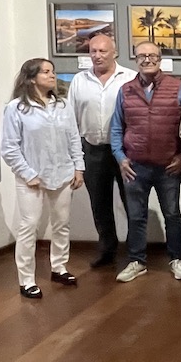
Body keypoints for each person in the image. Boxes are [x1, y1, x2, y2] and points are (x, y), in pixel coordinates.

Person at [0, 58, 84, 299]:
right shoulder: (16, 108)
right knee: (29, 226)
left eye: (53, 71)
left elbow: (74, 138)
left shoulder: (63, 106)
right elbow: (10, 148)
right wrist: (28, 173)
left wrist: (79, 167)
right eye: (46, 72)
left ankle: (59, 267)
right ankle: (26, 279)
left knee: (61, 223)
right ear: (32, 77)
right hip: (32, 177)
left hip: (63, 173)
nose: (52, 75)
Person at [110, 41, 181, 283]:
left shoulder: (178, 88)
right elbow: (116, 128)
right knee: (136, 216)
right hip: (135, 166)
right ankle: (137, 261)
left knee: (173, 215)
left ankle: (176, 258)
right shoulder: (125, 90)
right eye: (142, 56)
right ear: (135, 59)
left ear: (160, 58)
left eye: (152, 55)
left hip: (169, 166)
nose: (147, 59)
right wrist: (120, 158)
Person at [66, 32, 136, 268]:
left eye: (102, 51)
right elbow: (71, 120)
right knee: (100, 204)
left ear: (114, 52)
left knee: (132, 202)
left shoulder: (130, 78)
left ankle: (136, 252)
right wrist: (75, 157)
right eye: (93, 51)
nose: (97, 56)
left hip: (125, 152)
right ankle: (107, 250)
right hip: (92, 150)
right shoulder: (79, 81)